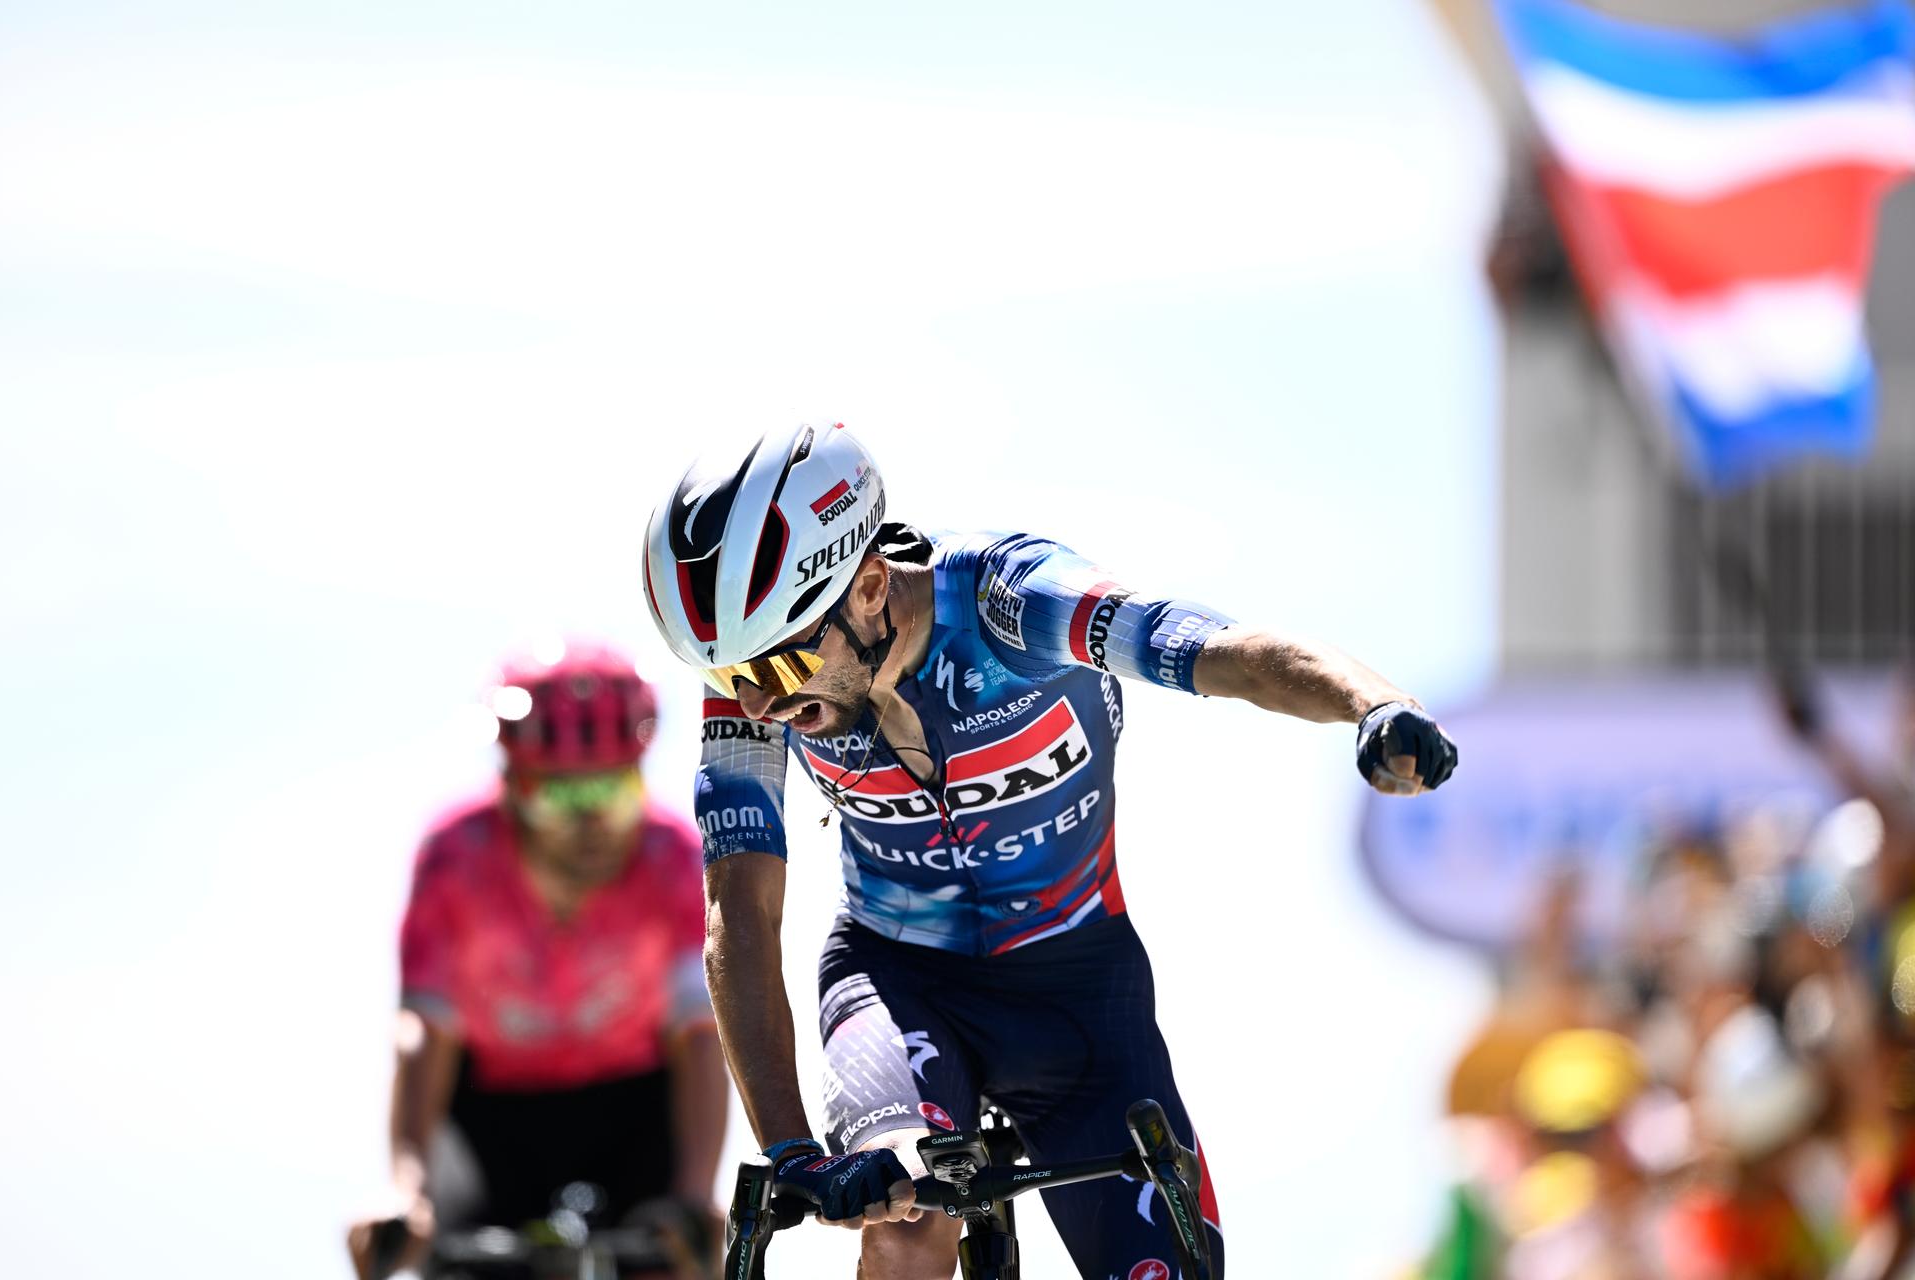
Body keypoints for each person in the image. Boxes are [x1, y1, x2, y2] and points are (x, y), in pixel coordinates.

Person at [643, 423, 1459, 1279]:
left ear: (872, 585)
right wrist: (793, 1148)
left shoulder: (1014, 601)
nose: (761, 707)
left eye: (776, 671)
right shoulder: (751, 691)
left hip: (1077, 984)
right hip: (896, 979)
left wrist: (1373, 703)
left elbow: (1229, 655)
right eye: (732, 679)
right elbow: (740, 910)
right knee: (909, 1212)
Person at [345, 640, 729, 1279]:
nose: (591, 827)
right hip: (491, 1111)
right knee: (444, 1251)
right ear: (510, 786)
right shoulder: (453, 858)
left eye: (611, 793)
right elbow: (424, 1031)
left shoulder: (673, 858)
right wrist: (404, 1187)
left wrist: (695, 1192)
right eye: (561, 799)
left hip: (633, 1107)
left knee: (675, 1256)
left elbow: (698, 1035)